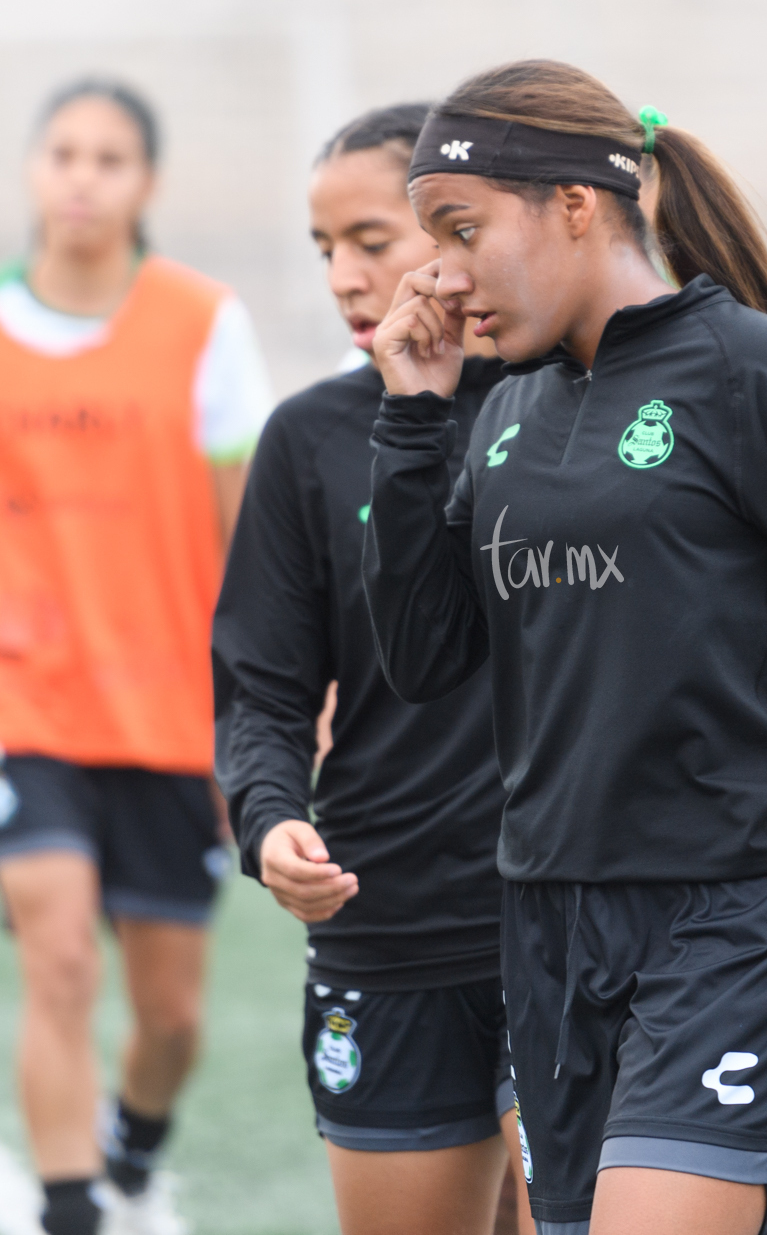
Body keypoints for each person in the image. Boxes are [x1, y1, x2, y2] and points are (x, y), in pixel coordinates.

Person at [359, 61, 767, 1235]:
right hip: (549, 921)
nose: (434, 273)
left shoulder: (756, 374)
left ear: (572, 205)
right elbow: (421, 658)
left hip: (738, 913)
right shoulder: (503, 410)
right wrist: (411, 416)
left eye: (459, 229)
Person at [0, 78, 275, 1235]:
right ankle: (69, 1211)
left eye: (110, 158)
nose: (82, 176)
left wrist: (280, 705)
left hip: (167, 707)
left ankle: (133, 1149)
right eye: (63, 153)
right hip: (9, 690)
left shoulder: (204, 324)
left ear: (148, 184)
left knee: (171, 1016)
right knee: (56, 956)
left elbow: (250, 535)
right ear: (33, 170)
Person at [213, 102, 533, 1235]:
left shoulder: (570, 406)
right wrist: (265, 823)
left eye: (369, 240)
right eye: (323, 249)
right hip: (383, 921)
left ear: (456, 233)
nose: (344, 277)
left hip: (562, 919)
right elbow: (261, 684)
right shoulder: (305, 441)